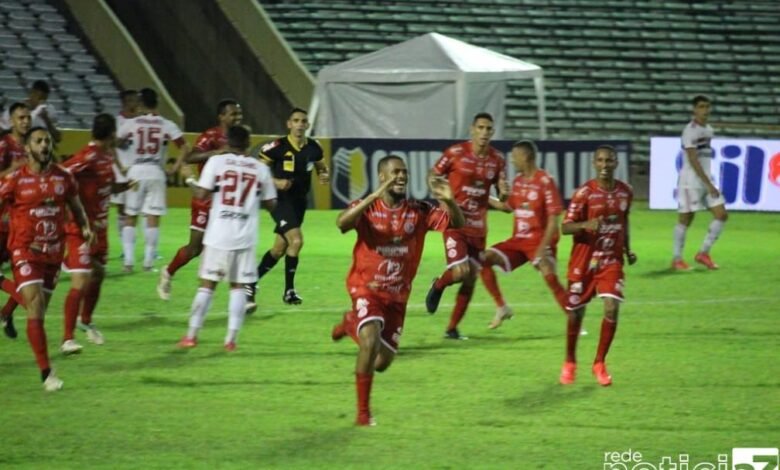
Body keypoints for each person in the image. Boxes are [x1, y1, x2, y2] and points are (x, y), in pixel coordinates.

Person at [330, 155, 464, 426]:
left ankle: (349, 324)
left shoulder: (419, 210)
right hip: (366, 288)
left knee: (381, 361)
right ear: (382, 177)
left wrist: (449, 200)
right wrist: (374, 196)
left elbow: (457, 224)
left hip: (397, 297)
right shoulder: (367, 208)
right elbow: (342, 223)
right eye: (395, 172)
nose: (402, 176)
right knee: (369, 343)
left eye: (404, 173)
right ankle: (363, 415)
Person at [0, 126, 94, 390]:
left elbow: (76, 206)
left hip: (53, 252)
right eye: (39, 141)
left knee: (38, 313)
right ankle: (46, 373)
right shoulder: (16, 179)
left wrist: (85, 227)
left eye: (47, 141)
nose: (44, 145)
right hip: (25, 250)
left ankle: (6, 311)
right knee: (35, 304)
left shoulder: (63, 176)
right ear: (28, 148)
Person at [177, 125, 276, 350]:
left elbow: (201, 194)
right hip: (245, 237)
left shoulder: (216, 163)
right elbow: (271, 204)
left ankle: (191, 336)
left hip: (218, 235)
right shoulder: (260, 169)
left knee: (207, 286)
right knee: (238, 287)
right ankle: (230, 340)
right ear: (249, 143)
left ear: (227, 143)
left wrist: (189, 179)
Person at [424, 112, 508, 339]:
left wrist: (504, 193)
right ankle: (439, 285)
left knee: (470, 278)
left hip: (479, 228)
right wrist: (442, 199)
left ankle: (451, 329)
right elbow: (433, 174)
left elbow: (501, 188)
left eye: (488, 128)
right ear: (472, 129)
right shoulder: (455, 153)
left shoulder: (497, 159)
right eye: (480, 127)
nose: (484, 132)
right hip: (455, 222)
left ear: (492, 132)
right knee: (461, 272)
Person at [559, 145, 637, 387]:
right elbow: (565, 227)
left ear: (616, 163)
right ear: (594, 164)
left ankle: (599, 362)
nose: (605, 165)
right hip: (584, 262)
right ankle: (570, 361)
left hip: (610, 260)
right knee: (575, 313)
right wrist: (585, 225)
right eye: (600, 161)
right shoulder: (584, 193)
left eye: (609, 161)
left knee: (612, 307)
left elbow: (624, 222)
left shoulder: (625, 192)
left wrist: (627, 249)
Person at [59, 114, 135, 354]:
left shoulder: (106, 156)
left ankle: (86, 320)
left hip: (101, 229)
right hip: (82, 230)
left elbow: (105, 185)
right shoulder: (89, 155)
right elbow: (62, 173)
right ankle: (67, 339)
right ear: (112, 134)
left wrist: (122, 186)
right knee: (80, 281)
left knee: (99, 273)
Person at [157, 99, 243, 300]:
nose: (237, 118)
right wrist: (216, 153)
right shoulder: (211, 136)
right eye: (233, 114)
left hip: (226, 201)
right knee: (195, 248)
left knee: (232, 246)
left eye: (239, 114)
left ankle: (240, 296)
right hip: (205, 199)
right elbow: (191, 157)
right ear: (221, 116)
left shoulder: (239, 139)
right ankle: (168, 272)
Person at [245, 108, 329, 312]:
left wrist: (323, 175)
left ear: (307, 125)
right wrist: (275, 181)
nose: (300, 124)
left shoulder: (314, 147)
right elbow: (257, 171)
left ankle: (250, 284)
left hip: (299, 203)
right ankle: (289, 290)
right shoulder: (277, 146)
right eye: (296, 120)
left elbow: (321, 166)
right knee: (297, 241)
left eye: (303, 121)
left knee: (279, 249)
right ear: (289, 124)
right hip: (279, 200)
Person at [479, 140, 568, 329]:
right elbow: (507, 207)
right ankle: (502, 307)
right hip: (518, 241)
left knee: (548, 272)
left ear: (526, 157)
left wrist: (543, 249)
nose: (512, 162)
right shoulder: (518, 182)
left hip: (538, 241)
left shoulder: (545, 181)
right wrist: (482, 195)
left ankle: (574, 317)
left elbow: (554, 220)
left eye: (515, 157)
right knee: (483, 258)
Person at [117, 88, 189, 272]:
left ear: (141, 104)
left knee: (130, 217)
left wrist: (121, 164)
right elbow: (184, 146)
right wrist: (175, 166)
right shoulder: (166, 124)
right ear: (157, 103)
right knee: (152, 218)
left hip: (136, 171)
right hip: (156, 171)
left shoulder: (132, 123)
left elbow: (114, 142)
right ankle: (148, 264)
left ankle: (128, 263)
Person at [671, 95, 727, 271]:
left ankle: (703, 253)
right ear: (694, 110)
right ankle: (677, 258)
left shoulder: (709, 129)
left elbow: (703, 158)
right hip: (690, 182)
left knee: (721, 214)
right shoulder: (690, 131)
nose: (705, 110)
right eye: (701, 107)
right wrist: (708, 184)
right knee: (686, 220)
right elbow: (693, 159)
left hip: (706, 180)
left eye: (707, 107)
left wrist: (709, 181)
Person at [0, 102, 32, 338]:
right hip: (3, 219)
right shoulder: (5, 145)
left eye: (28, 118)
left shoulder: (31, 147)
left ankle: (6, 312)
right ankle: (19, 307)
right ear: (11, 121)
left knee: (24, 275)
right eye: (20, 118)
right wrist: (12, 169)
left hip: (23, 223)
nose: (25, 122)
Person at [111, 90, 140, 254]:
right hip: (120, 170)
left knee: (138, 208)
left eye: (136, 101)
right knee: (122, 210)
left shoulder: (141, 122)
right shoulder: (117, 122)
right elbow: (112, 145)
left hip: (137, 170)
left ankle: (134, 246)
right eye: (131, 101)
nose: (134, 104)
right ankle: (125, 246)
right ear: (125, 102)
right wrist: (120, 165)